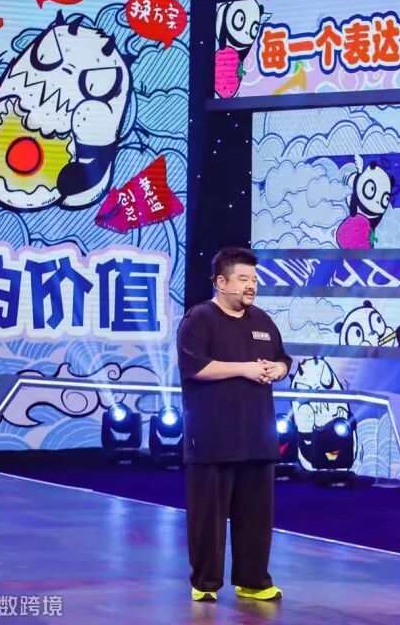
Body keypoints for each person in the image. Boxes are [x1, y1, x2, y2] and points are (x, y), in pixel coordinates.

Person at [176, 247, 291, 602]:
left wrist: (278, 369)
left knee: (256, 516)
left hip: (257, 437)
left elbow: (283, 359)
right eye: (243, 279)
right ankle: (205, 583)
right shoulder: (199, 319)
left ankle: (253, 580)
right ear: (220, 282)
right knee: (208, 518)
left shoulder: (262, 321)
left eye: (253, 279)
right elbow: (196, 367)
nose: (251, 286)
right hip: (213, 438)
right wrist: (245, 368)